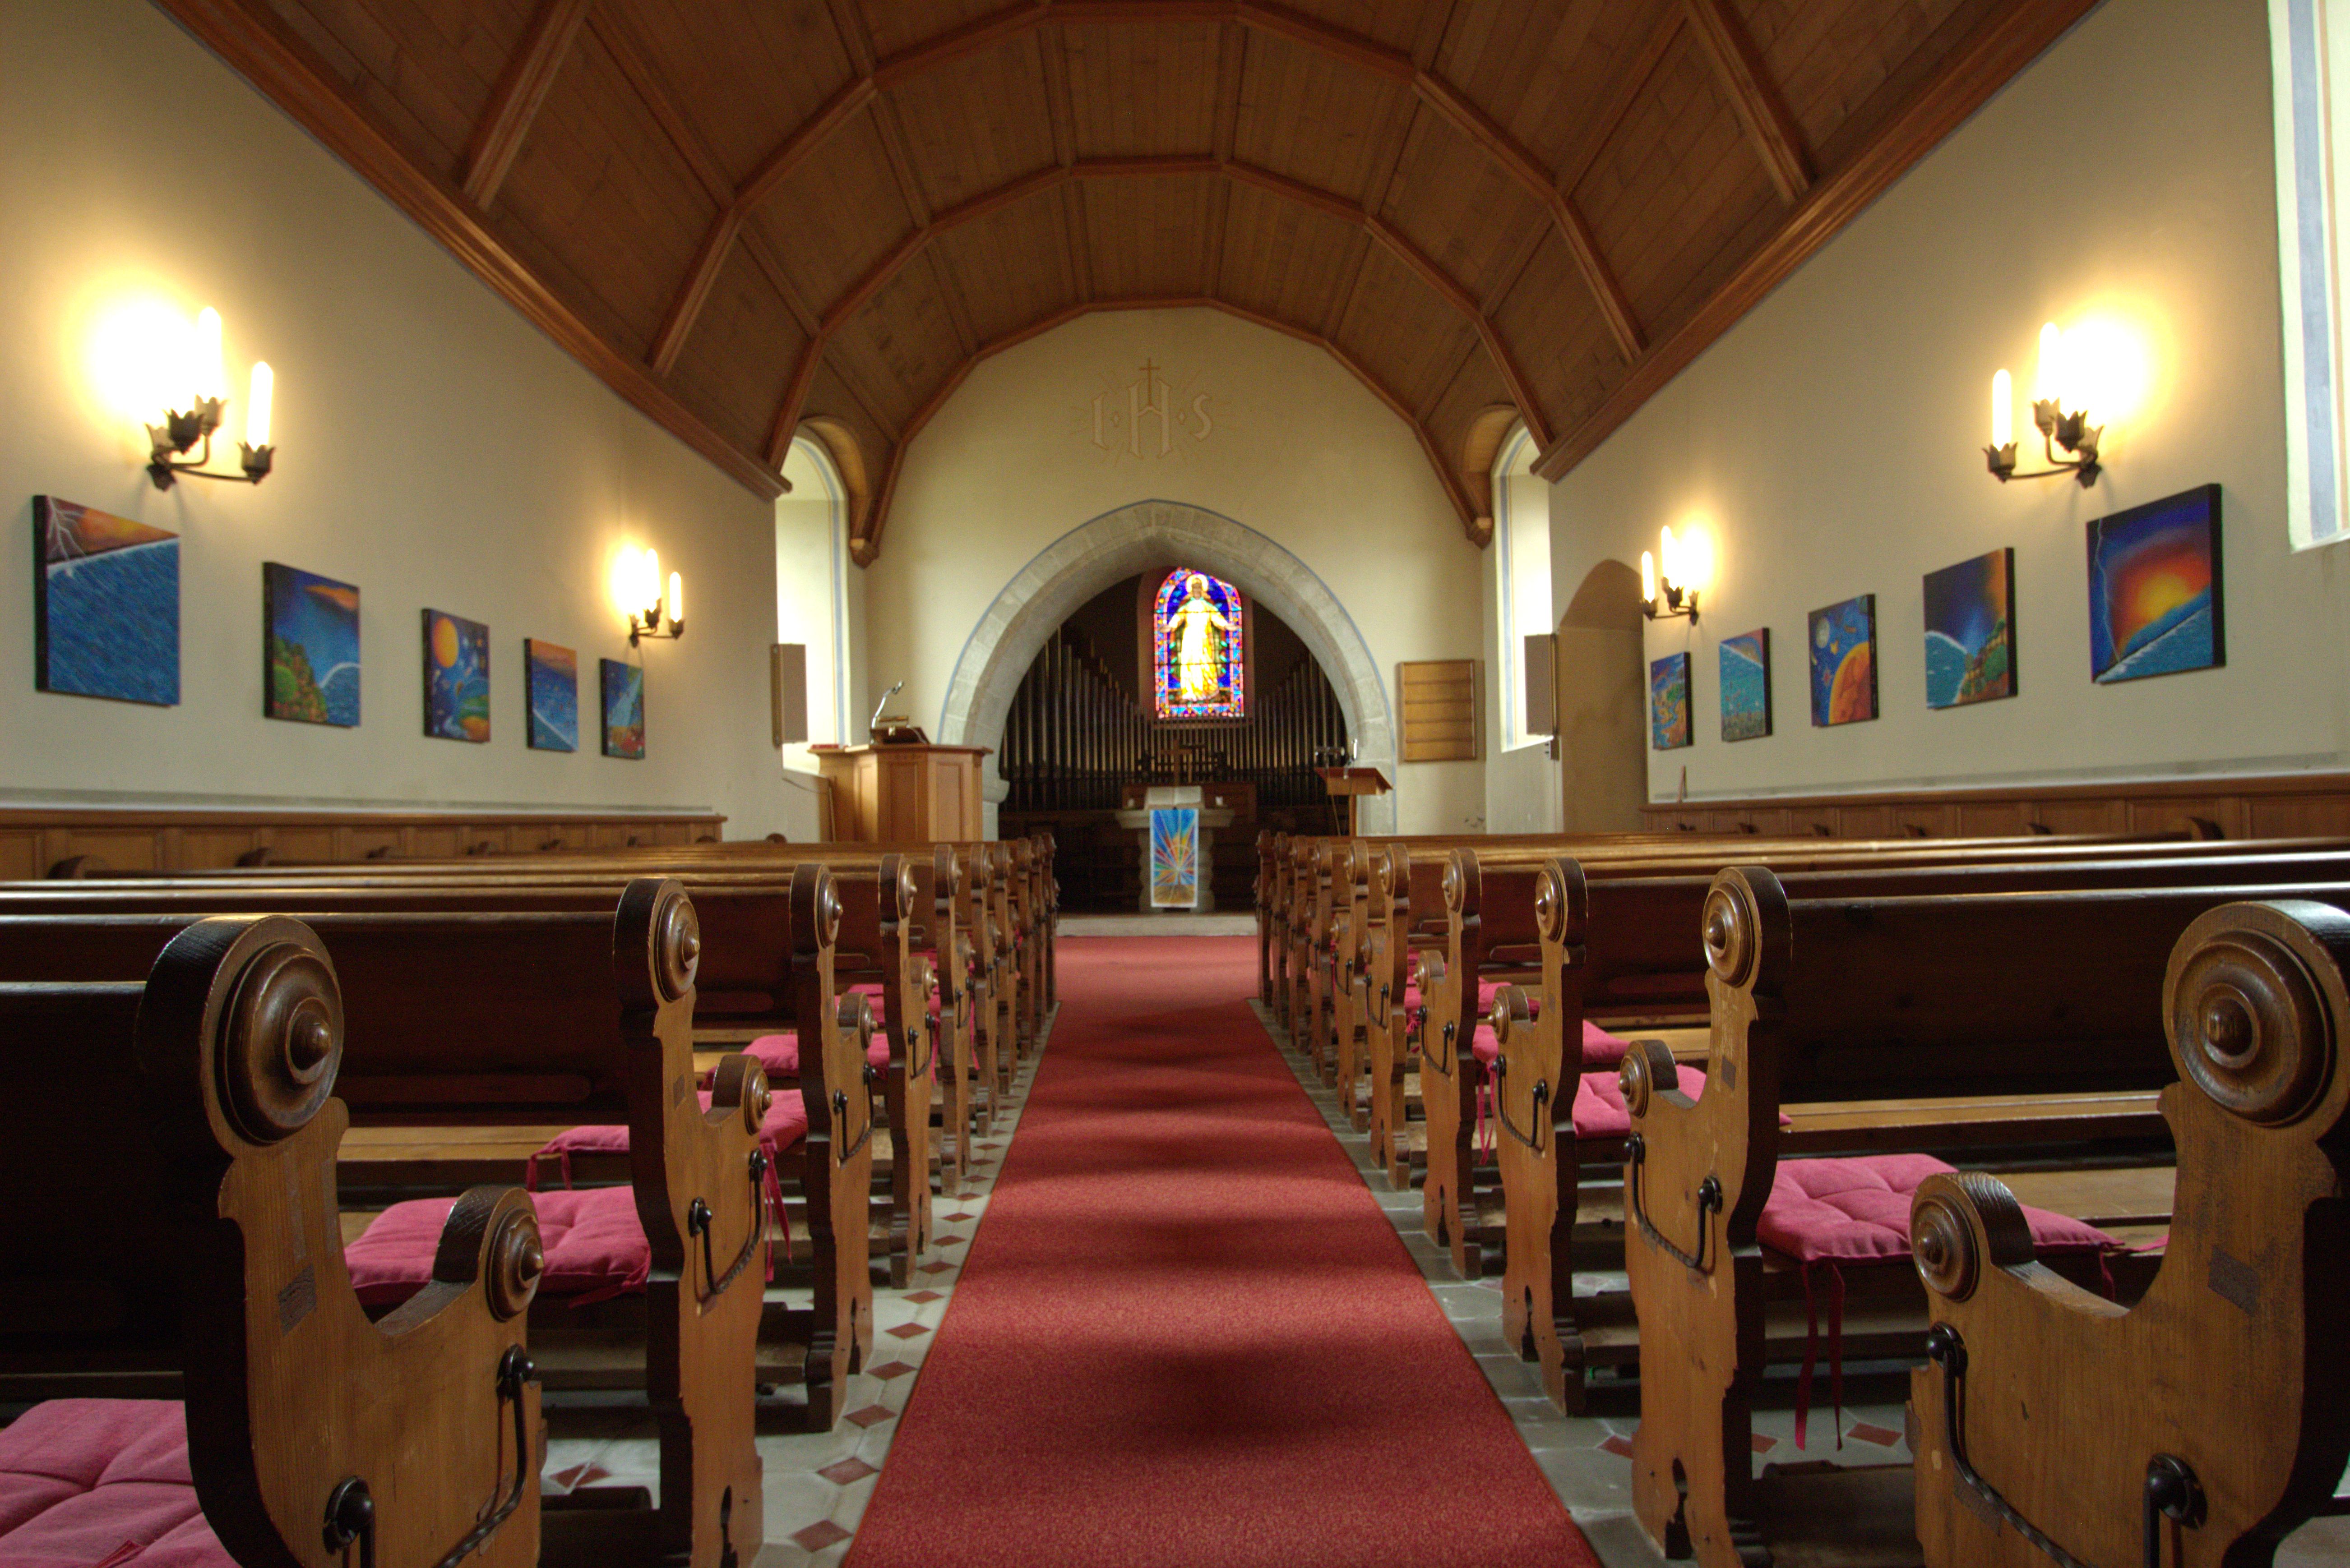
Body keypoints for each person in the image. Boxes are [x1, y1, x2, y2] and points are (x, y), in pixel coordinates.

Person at [1168, 573, 1234, 704]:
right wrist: (1170, 626)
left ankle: (1209, 691)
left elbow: (1217, 618)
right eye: (1195, 588)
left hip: (1204, 638)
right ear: (1191, 590)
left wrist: (1226, 625)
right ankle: (1190, 693)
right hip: (1190, 638)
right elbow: (1178, 618)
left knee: (1206, 662)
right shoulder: (1187, 606)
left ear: (1202, 590)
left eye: (1199, 588)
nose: (1197, 590)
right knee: (1189, 664)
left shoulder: (1207, 606)